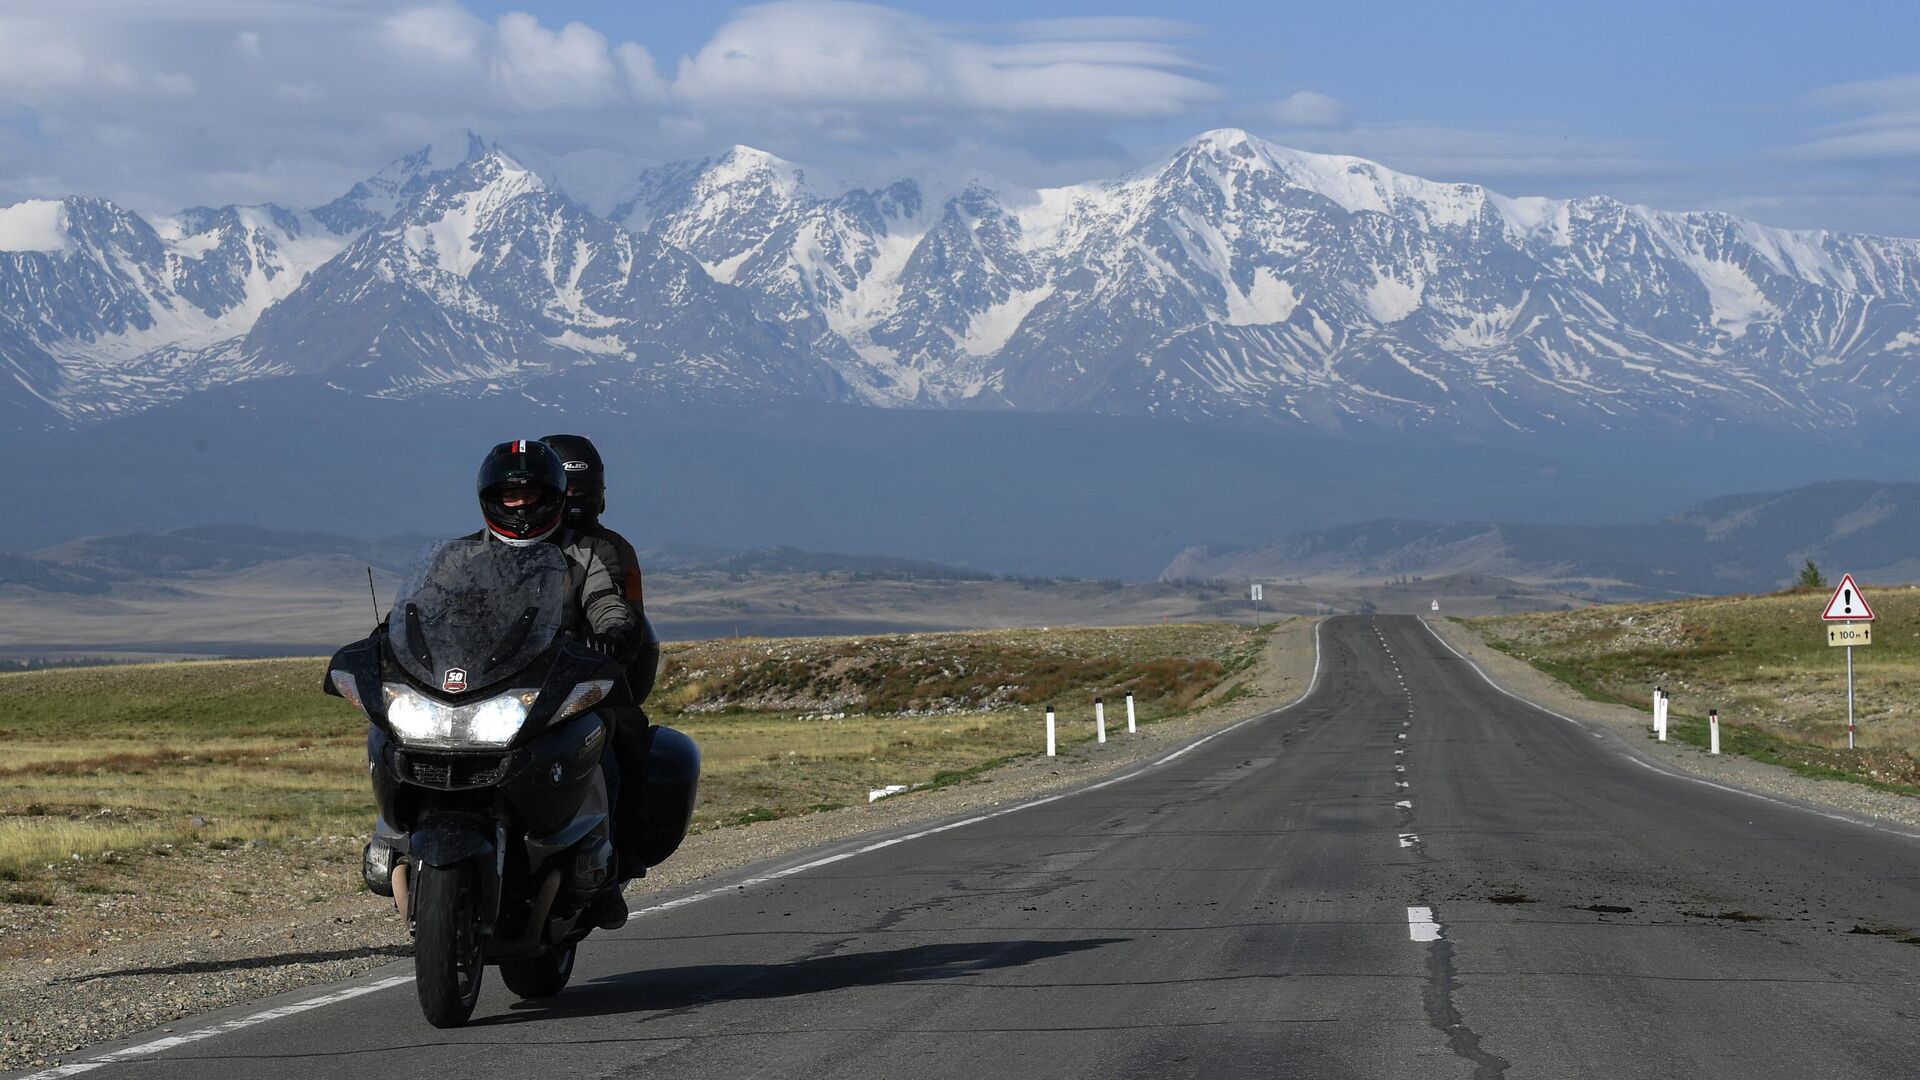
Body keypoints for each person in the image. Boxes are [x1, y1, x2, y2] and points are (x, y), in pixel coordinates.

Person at [539, 434, 661, 876]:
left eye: (586, 494)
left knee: (626, 737)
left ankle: (621, 852)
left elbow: (623, 614)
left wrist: (610, 640)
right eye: (568, 494)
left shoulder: (607, 551)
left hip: (588, 674)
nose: (577, 503)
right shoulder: (504, 550)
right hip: (515, 677)